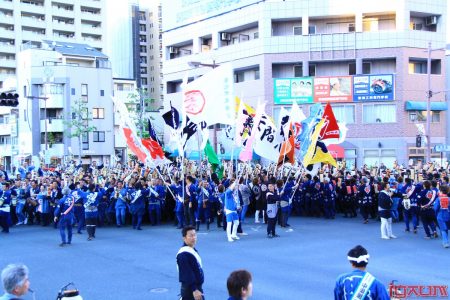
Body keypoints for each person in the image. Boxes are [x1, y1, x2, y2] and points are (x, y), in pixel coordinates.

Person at [176, 226, 204, 300]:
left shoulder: (192, 249)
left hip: (195, 288)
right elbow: (187, 274)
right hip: (191, 290)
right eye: (191, 236)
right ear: (184, 238)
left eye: (195, 235)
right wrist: (194, 289)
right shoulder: (183, 254)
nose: (194, 237)